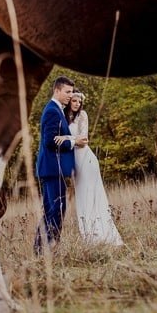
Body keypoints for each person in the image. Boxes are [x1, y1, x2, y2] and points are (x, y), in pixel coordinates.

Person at [66, 91, 124, 246]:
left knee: (92, 194)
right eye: (74, 101)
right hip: (74, 162)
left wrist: (65, 139)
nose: (77, 104)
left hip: (86, 159)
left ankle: (103, 234)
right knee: (82, 196)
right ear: (69, 102)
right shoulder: (64, 117)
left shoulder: (82, 115)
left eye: (79, 101)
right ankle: (90, 236)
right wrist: (71, 140)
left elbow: (83, 140)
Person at [34, 76, 76, 253]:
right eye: (67, 92)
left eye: (72, 92)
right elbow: (50, 141)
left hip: (52, 168)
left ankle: (40, 249)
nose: (70, 96)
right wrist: (72, 141)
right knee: (57, 208)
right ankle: (48, 248)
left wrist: (67, 138)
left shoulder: (57, 110)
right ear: (57, 90)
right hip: (52, 168)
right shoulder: (52, 111)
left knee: (52, 209)